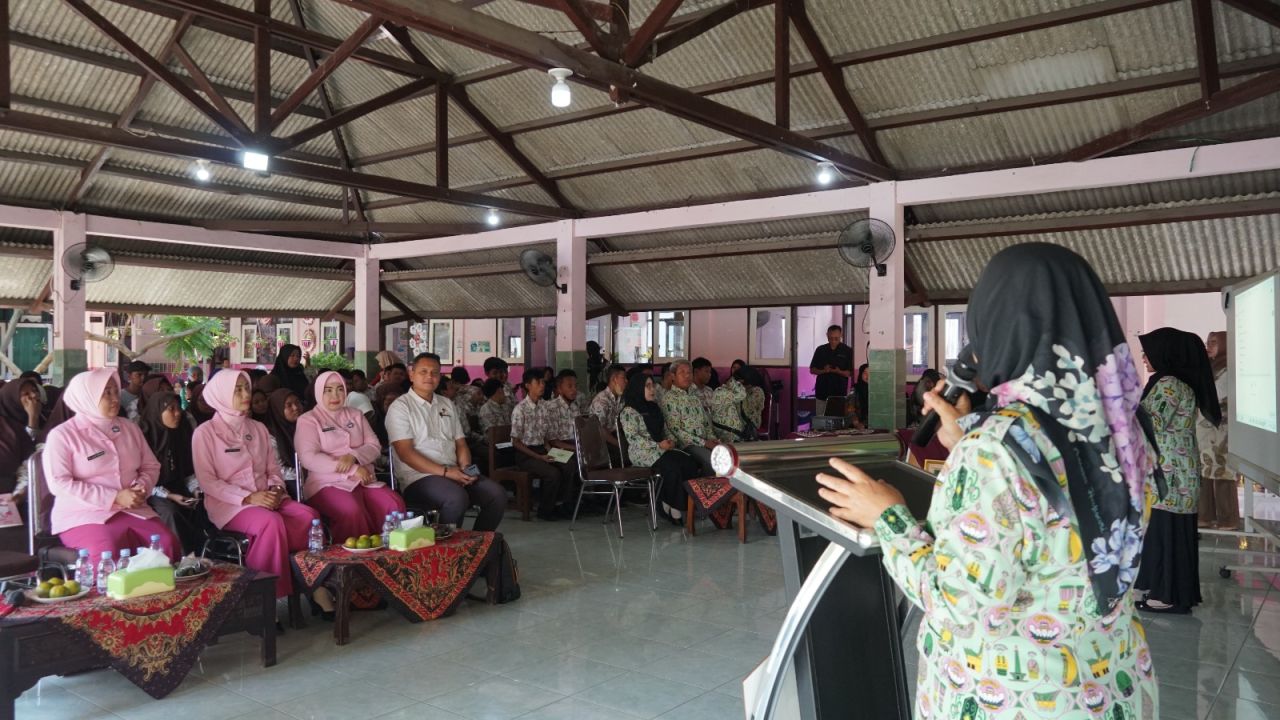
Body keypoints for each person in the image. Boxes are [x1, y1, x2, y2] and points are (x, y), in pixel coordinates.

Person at [816, 243, 1160, 719]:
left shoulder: (997, 449)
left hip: (1010, 695)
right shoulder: (1125, 426)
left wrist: (886, 517)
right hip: (1108, 682)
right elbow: (1057, 511)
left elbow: (959, 604)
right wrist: (965, 442)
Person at [193, 370, 320, 599]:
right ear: (221, 394)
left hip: (268, 498)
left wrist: (276, 489)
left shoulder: (258, 429)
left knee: (309, 517)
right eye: (238, 389)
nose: (246, 394)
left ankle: (308, 582)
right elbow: (208, 482)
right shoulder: (205, 433)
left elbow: (273, 470)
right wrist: (249, 498)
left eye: (247, 388)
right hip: (231, 506)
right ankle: (266, 597)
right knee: (270, 524)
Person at [42, 368, 180, 563]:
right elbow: (59, 483)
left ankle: (163, 595)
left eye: (116, 391)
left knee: (166, 544)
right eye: (106, 393)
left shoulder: (129, 428)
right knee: (107, 551)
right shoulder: (63, 435)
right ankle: (103, 594)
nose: (115, 398)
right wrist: (114, 497)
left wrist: (141, 488)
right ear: (87, 396)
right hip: (85, 514)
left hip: (133, 510)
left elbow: (151, 466)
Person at [1135, 328, 1220, 614]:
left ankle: (1170, 596)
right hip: (1173, 472)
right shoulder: (1169, 381)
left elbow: (1151, 422)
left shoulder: (1169, 384)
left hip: (1172, 476)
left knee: (1169, 535)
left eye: (1149, 351)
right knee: (1164, 533)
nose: (1144, 358)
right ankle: (1162, 588)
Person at [385, 353, 505, 531]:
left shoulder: (447, 404)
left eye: (434, 372)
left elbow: (461, 444)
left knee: (497, 494)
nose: (429, 377)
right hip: (419, 477)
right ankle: (446, 552)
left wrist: (465, 468)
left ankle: (478, 545)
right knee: (456, 498)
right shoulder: (400, 407)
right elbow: (406, 454)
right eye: (423, 371)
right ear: (412, 375)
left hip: (454, 471)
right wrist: (447, 473)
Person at [296, 372, 404, 542]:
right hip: (327, 482)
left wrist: (353, 456)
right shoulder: (308, 420)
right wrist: (352, 469)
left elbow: (374, 446)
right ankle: (352, 562)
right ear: (318, 392)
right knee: (351, 510)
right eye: (328, 390)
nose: (335, 395)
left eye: (340, 389)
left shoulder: (355, 414)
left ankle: (391, 558)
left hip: (364, 481)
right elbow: (309, 458)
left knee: (393, 503)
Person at [619, 372, 702, 524]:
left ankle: (671, 502)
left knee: (690, 462)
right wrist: (657, 445)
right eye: (648, 386)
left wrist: (670, 440)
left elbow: (664, 429)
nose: (653, 390)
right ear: (638, 388)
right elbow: (634, 439)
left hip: (661, 449)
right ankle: (674, 507)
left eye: (653, 386)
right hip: (642, 453)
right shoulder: (629, 411)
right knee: (672, 466)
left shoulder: (654, 408)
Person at [138, 390, 206, 553]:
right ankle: (181, 561)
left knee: (202, 505)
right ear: (158, 411)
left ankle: (202, 556)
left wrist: (196, 490)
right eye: (171, 409)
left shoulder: (180, 434)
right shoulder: (143, 437)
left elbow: (188, 470)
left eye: (179, 408)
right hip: (150, 492)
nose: (178, 414)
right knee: (171, 512)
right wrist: (169, 495)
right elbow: (138, 477)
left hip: (177, 488)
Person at [509, 370, 574, 520]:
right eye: (538, 382)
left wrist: (551, 452)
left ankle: (563, 504)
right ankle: (545, 510)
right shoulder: (520, 409)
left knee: (569, 465)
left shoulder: (545, 407)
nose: (542, 385)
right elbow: (516, 442)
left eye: (543, 382)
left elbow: (546, 437)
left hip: (542, 450)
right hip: (526, 454)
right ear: (527, 386)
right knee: (553, 473)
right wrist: (539, 457)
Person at [1196, 331, 1238, 530]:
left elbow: (1217, 394)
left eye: (1214, 342)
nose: (1209, 346)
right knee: (1204, 471)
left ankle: (1228, 519)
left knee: (1222, 474)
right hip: (1205, 430)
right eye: (1207, 342)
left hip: (1222, 432)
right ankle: (1205, 516)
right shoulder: (1208, 368)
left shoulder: (1229, 368)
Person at [0, 377, 41, 552]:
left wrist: (21, 494)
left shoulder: (12, 428)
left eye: (34, 391)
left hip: (10, 501)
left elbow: (28, 465)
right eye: (25, 394)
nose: (33, 397)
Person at [661, 359, 718, 475]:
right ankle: (701, 492)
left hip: (703, 441)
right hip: (685, 445)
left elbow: (706, 422)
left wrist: (712, 438)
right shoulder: (669, 399)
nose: (687, 376)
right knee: (712, 461)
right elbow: (676, 430)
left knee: (727, 456)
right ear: (673, 376)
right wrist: (704, 443)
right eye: (682, 372)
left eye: (689, 372)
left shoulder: (694, 397)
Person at [709, 365, 763, 443]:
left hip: (736, 436)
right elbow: (742, 394)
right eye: (748, 387)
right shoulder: (721, 392)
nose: (747, 390)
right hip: (727, 438)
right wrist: (735, 383)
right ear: (740, 383)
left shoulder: (735, 393)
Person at [809, 325, 853, 417]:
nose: (833, 341)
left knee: (837, 422)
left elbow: (850, 373)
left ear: (841, 335)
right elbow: (812, 370)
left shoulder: (848, 351)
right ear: (827, 335)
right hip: (822, 393)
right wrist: (823, 371)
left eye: (836, 338)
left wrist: (839, 372)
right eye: (830, 338)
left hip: (839, 394)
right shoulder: (820, 350)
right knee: (821, 422)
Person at [263, 389, 303, 489]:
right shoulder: (270, 435)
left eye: (297, 402)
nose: (295, 408)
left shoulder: (307, 426)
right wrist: (303, 473)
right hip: (288, 479)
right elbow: (278, 469)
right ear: (278, 409)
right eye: (289, 405)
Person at [589, 366, 628, 463]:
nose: (626, 381)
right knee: (626, 453)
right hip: (601, 441)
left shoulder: (620, 398)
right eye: (623, 378)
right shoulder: (601, 400)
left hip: (615, 435)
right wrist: (619, 444)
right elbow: (600, 430)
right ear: (614, 379)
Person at [852, 363, 870, 428]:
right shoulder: (855, 389)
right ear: (860, 374)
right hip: (858, 425)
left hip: (876, 424)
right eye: (865, 373)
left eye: (871, 373)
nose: (868, 376)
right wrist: (856, 423)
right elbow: (850, 408)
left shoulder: (879, 390)